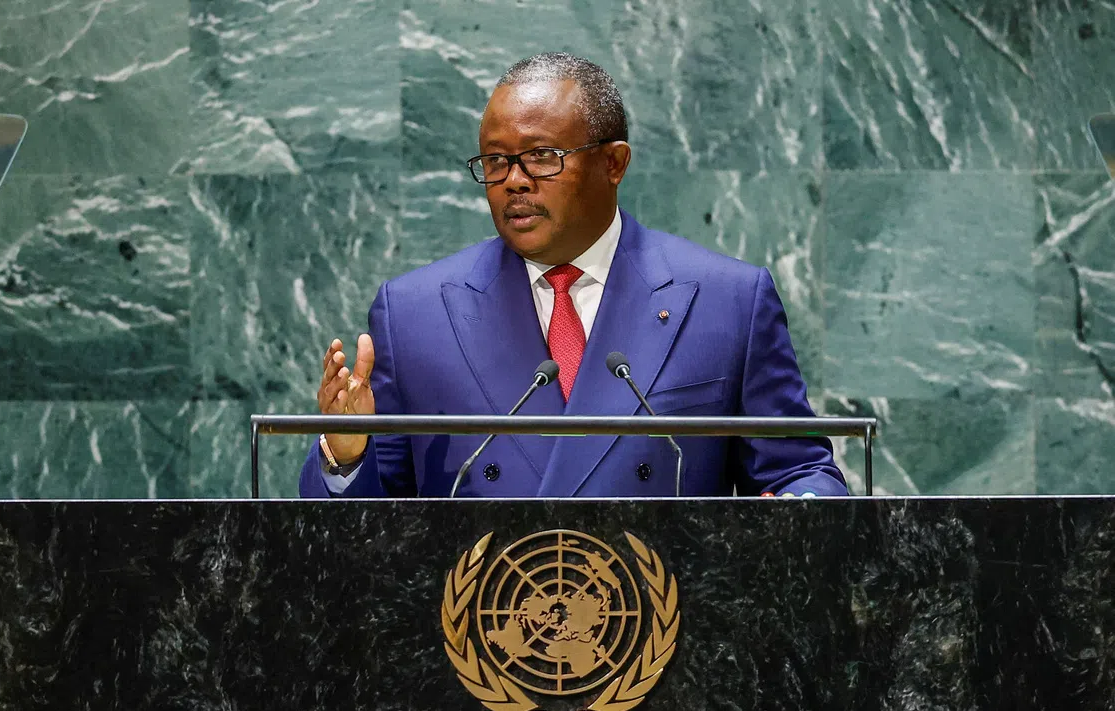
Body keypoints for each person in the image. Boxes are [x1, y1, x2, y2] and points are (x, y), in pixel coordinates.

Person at [299, 53, 847, 499]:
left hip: (664, 623)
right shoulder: (412, 313)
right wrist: (345, 453)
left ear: (614, 163)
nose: (513, 181)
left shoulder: (728, 301)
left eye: (541, 156)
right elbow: (369, 530)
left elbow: (798, 471)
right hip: (480, 625)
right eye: (495, 162)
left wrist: (802, 511)